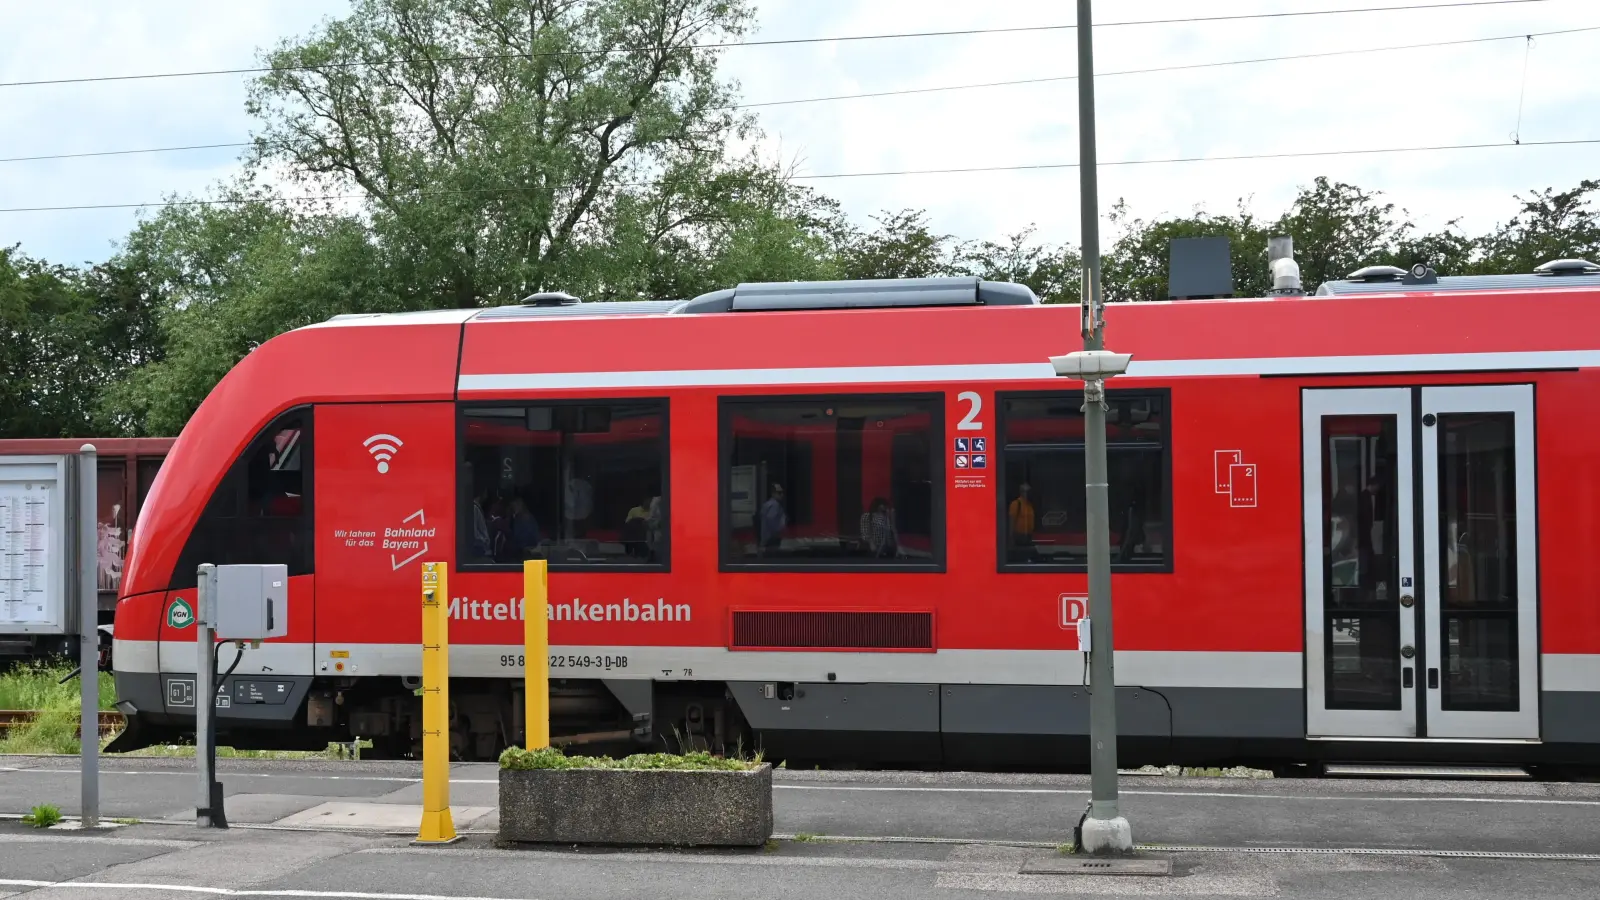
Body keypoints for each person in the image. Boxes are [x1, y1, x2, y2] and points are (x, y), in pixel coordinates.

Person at [1008, 483, 1036, 557]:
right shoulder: (1016, 504)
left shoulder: (1029, 505)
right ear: (1022, 492)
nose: (1029, 494)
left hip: (1029, 536)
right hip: (1019, 536)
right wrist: (1011, 537)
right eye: (1027, 492)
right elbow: (1012, 521)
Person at [759, 484, 786, 555]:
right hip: (772, 538)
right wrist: (778, 531)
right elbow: (771, 520)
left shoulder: (766, 504)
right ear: (773, 494)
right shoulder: (775, 505)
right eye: (779, 493)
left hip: (766, 538)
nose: (782, 495)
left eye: (782, 492)